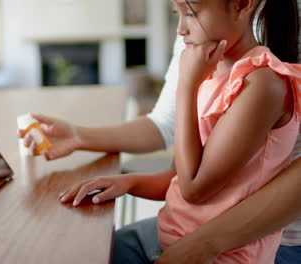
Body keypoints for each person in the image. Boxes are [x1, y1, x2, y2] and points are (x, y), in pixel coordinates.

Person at [18, 0, 301, 263]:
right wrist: (127, 182)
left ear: (240, 4)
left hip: (223, 253)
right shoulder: (211, 68)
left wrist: (187, 85)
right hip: (174, 235)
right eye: (175, 13)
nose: (180, 29)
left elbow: (193, 189)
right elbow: (180, 176)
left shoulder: (262, 84)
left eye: (191, 12)